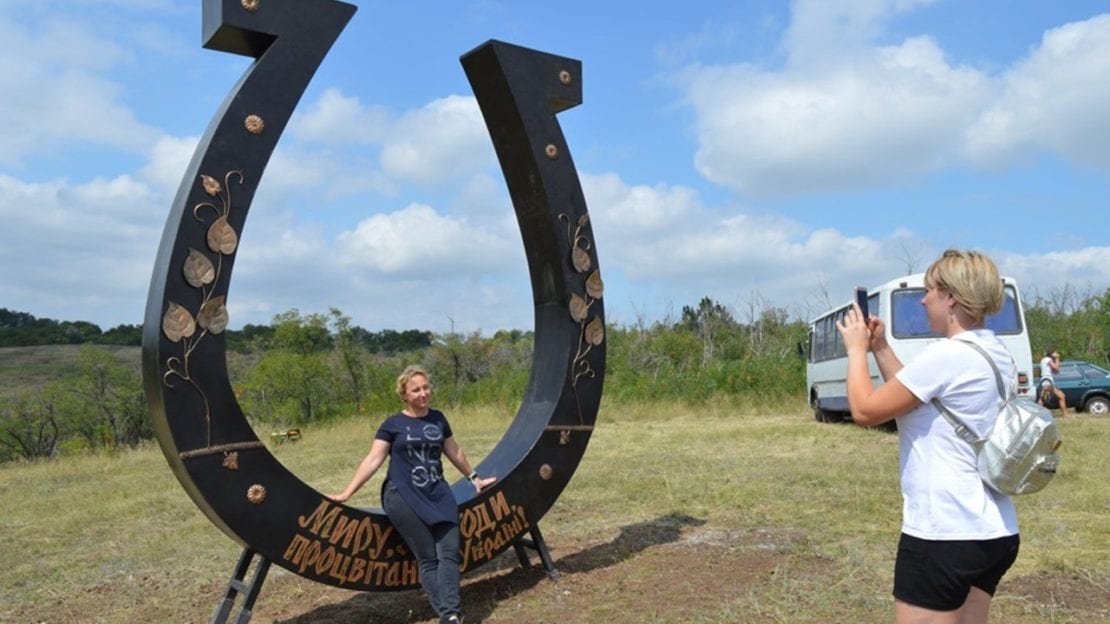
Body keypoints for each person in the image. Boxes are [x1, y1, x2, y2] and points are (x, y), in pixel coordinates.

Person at [836, 249, 1020, 624]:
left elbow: (865, 411)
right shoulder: (993, 351)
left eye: (930, 290)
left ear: (951, 296)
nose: (923, 299)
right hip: (992, 529)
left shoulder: (948, 355)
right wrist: (881, 348)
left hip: (944, 532)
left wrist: (856, 351)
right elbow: (915, 399)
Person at [329, 365, 497, 624]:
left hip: (438, 493)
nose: (422, 393)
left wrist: (474, 478)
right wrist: (347, 492)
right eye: (415, 390)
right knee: (428, 557)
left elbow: (454, 451)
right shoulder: (393, 424)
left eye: (425, 387)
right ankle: (450, 616)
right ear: (404, 395)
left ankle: (449, 613)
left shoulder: (438, 418)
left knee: (450, 553)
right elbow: (373, 459)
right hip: (402, 495)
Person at [1037, 349, 1069, 416]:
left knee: (1042, 399)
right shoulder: (1048, 359)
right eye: (1055, 353)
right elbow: (1056, 367)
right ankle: (1066, 415)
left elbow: (1055, 371)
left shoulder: (1044, 360)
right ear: (1051, 354)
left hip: (1046, 380)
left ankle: (1038, 414)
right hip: (1047, 381)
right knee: (1061, 396)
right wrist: (1057, 359)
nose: (1056, 354)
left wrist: (1055, 368)